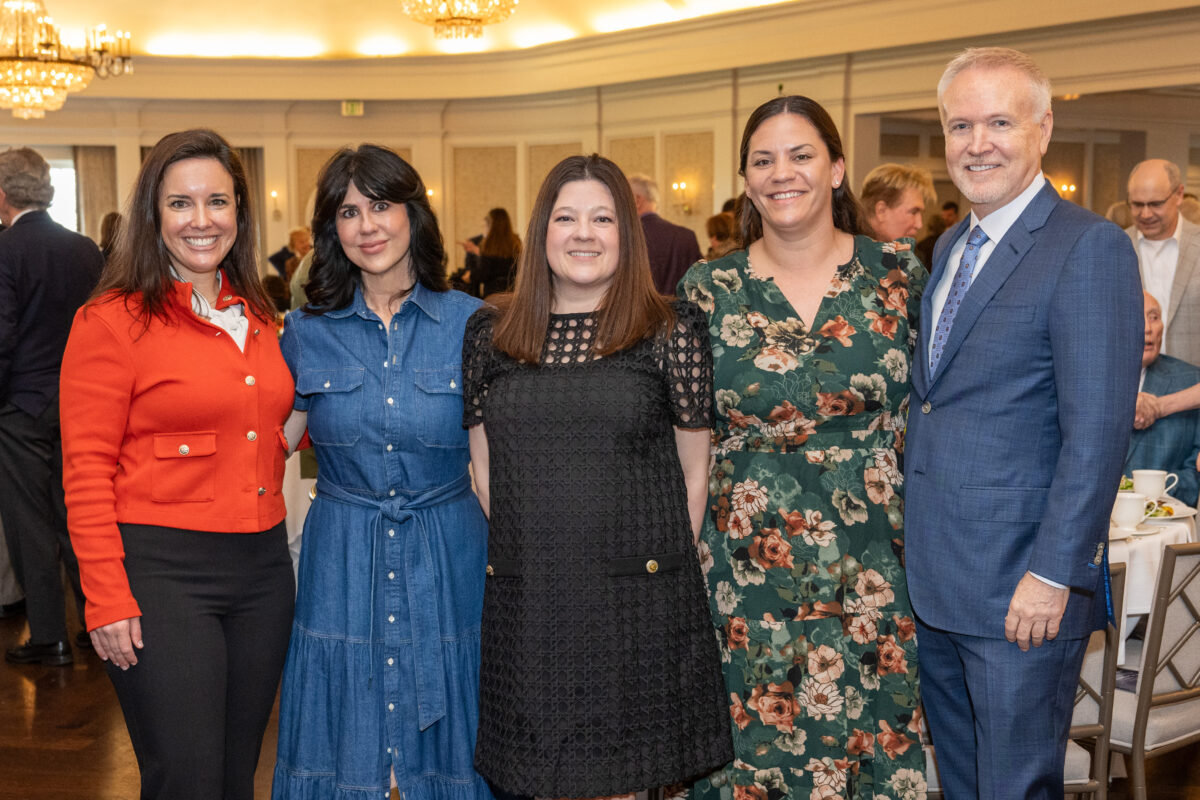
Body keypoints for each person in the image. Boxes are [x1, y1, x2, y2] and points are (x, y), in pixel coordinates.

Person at [904, 48, 1141, 799]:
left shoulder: (1087, 246)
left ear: (1043, 128)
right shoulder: (950, 247)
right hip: (940, 586)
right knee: (965, 787)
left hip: (1022, 594)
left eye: (1000, 122)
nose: (978, 143)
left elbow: (1098, 432)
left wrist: (1051, 575)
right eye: (960, 125)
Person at [678, 96, 927, 800]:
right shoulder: (707, 288)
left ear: (838, 168)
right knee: (750, 756)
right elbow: (682, 443)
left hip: (876, 561)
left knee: (872, 745)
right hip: (744, 568)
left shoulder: (900, 275)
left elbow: (942, 413)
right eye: (763, 160)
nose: (781, 173)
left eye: (801, 155)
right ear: (747, 180)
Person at [463, 153, 731, 799]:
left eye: (602, 217)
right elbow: (483, 472)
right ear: (541, 231)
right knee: (538, 778)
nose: (583, 233)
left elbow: (695, 474)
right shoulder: (490, 332)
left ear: (626, 234)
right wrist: (552, 552)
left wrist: (653, 568)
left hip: (637, 600)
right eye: (566, 217)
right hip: (532, 598)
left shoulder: (671, 328)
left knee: (623, 782)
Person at [59, 128, 297, 799]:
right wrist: (104, 597)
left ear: (239, 215)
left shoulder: (256, 313)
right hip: (161, 573)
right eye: (181, 204)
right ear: (153, 217)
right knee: (186, 779)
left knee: (232, 775)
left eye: (217, 202)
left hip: (263, 573)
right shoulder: (110, 322)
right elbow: (84, 470)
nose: (202, 220)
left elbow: (272, 426)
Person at [272, 144, 492, 800]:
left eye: (381, 205)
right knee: (345, 733)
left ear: (412, 215)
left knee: (453, 730)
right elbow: (265, 446)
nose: (367, 225)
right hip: (342, 556)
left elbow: (495, 467)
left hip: (448, 555)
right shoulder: (305, 331)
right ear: (330, 230)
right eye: (348, 211)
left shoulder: (472, 324)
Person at [0, 147, 103, 666]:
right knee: (76, 515)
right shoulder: (86, 249)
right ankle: (93, 623)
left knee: (29, 522)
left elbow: (2, 336)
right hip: (81, 402)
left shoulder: (5, 249)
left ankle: (47, 635)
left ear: (2, 196)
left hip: (20, 405)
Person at [1125, 292, 1200, 506]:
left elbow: (1194, 474)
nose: (1147, 328)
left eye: (1154, 317)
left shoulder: (1190, 378)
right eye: (1137, 317)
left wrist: (1151, 496)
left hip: (1164, 521)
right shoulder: (1083, 379)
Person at [1125, 159, 1200, 365]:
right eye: (1137, 205)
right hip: (1135, 384)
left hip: (1193, 383)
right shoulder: (1116, 247)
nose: (1146, 214)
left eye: (1155, 204)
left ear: (1179, 195)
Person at [629, 172, 702, 294]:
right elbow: (700, 285)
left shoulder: (628, 237)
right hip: (680, 312)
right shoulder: (686, 236)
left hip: (639, 312)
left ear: (637, 200)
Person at [860, 162, 936, 242]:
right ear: (881, 211)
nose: (919, 224)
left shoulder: (905, 252)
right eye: (913, 212)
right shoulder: (849, 251)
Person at [460, 207, 521, 297]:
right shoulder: (516, 242)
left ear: (490, 225)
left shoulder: (488, 244)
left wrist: (469, 276)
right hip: (513, 293)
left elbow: (484, 273)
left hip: (492, 295)